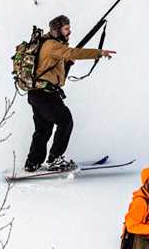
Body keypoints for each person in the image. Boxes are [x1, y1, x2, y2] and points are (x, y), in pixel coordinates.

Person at [25, 14, 116, 172]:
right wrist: (98, 52)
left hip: (37, 93)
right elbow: (73, 53)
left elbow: (57, 64)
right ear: (57, 30)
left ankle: (33, 163)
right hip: (45, 94)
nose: (69, 31)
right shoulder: (52, 45)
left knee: (43, 129)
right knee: (65, 121)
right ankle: (54, 159)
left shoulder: (49, 44)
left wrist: (67, 63)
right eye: (66, 29)